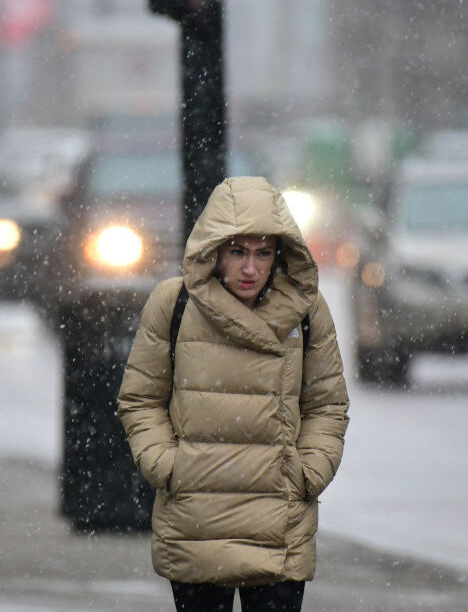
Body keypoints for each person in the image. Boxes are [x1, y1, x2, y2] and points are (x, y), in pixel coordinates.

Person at [117, 176, 350, 612]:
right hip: (197, 519)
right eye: (238, 251)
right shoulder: (175, 304)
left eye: (263, 253)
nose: (250, 268)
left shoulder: (307, 311)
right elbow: (140, 398)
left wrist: (308, 472)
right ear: (214, 250)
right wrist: (169, 466)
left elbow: (327, 404)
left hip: (278, 523)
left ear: (280, 255)